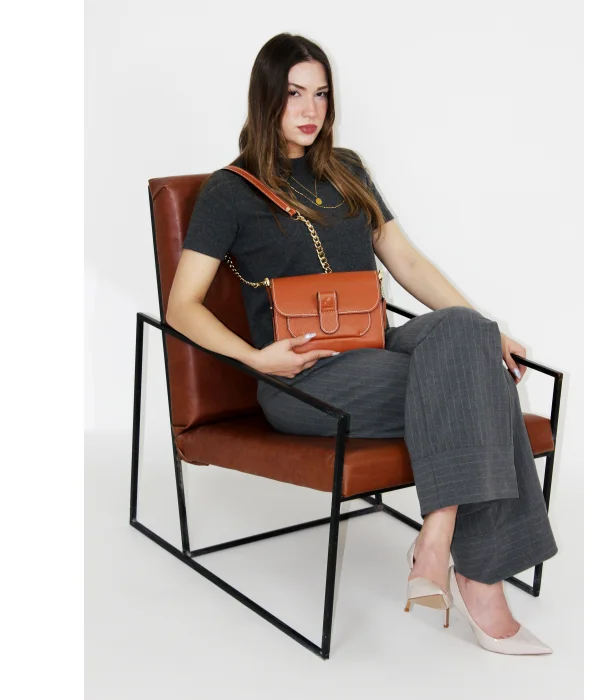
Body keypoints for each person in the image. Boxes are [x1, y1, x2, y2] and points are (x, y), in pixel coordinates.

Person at [166, 33, 558, 655]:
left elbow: (406, 260)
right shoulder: (229, 191)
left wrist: (490, 331)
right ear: (265, 97)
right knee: (477, 383)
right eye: (294, 94)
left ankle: (437, 532)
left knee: (470, 330)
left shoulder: (346, 169)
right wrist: (254, 358)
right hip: (303, 374)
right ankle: (481, 581)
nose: (310, 110)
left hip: (376, 343)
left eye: (321, 94)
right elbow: (181, 304)